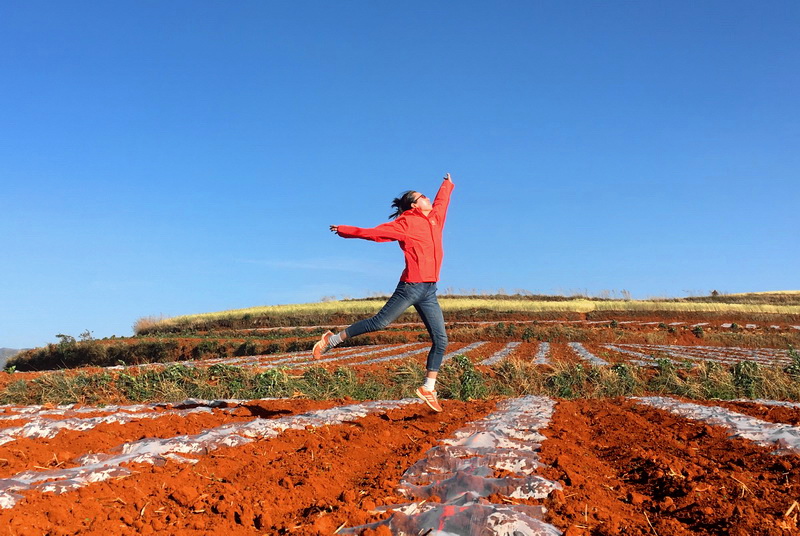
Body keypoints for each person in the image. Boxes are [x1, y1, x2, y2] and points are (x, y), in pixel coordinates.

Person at [313, 173, 455, 412]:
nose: (428, 198)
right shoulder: (405, 223)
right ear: (414, 204)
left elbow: (443, 201)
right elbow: (374, 233)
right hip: (410, 287)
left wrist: (447, 184)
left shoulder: (436, 219)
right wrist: (345, 230)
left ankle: (428, 388)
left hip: (430, 290)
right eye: (423, 196)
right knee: (380, 322)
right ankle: (331, 340)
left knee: (441, 340)